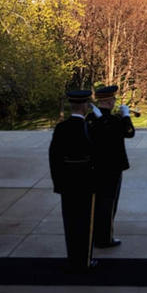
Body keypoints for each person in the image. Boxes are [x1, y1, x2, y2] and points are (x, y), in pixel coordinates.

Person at [49, 89, 97, 272]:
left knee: (70, 222)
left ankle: (72, 258)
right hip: (86, 182)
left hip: (67, 182)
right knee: (86, 223)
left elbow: (54, 158)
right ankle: (85, 261)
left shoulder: (61, 128)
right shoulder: (90, 127)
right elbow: (97, 155)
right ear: (85, 106)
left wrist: (58, 183)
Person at [87, 84, 135, 248]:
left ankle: (96, 235)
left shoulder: (90, 118)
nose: (115, 101)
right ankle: (105, 238)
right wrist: (126, 116)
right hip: (112, 168)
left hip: (95, 167)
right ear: (108, 101)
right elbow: (129, 132)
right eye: (113, 99)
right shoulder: (113, 121)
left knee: (99, 201)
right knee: (108, 203)